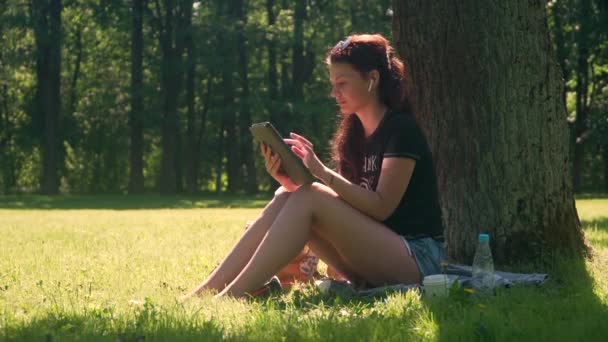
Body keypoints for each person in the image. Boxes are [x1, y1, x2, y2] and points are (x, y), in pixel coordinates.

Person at [182, 34, 444, 299]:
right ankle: (202, 294)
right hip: (374, 254)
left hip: (417, 258)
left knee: (310, 195)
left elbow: (380, 207)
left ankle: (226, 298)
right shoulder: (353, 134)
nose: (334, 93)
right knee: (289, 194)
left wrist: (320, 172)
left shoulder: (400, 130)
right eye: (332, 84)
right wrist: (292, 184)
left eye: (342, 83)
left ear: (372, 79)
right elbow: (348, 204)